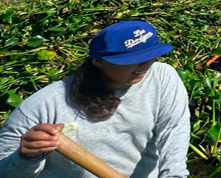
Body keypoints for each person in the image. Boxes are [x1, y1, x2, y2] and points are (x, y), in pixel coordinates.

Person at [0, 20, 190, 177]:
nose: (146, 64)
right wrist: (26, 156)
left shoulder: (162, 77)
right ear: (98, 61)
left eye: (151, 56)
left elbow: (174, 131)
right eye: (131, 59)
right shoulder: (43, 106)